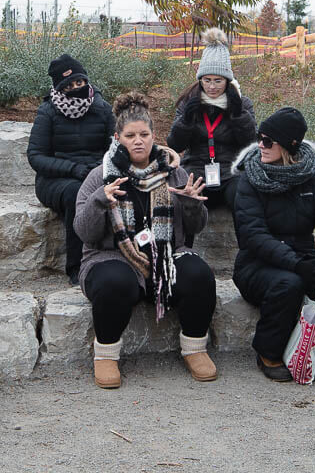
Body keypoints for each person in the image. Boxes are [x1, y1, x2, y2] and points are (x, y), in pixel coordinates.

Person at [73, 92, 217, 389]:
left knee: (199, 274)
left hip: (166, 255)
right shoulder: (101, 176)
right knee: (115, 281)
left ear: (154, 136)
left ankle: (194, 347)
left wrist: (192, 204)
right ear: (117, 138)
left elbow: (197, 227)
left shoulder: (174, 173)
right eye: (130, 136)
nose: (138, 141)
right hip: (111, 256)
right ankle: (106, 355)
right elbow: (85, 233)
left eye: (144, 134)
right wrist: (100, 200)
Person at [232, 107, 315, 382]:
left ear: (289, 146)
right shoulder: (250, 180)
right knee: (290, 284)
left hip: (302, 256)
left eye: (268, 141)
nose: (260, 145)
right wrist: (297, 265)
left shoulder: (314, 180)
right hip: (257, 264)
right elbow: (253, 236)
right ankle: (268, 352)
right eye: (259, 138)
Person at [26, 54, 115, 285]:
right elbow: (36, 156)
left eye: (79, 82)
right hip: (56, 179)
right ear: (59, 88)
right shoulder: (47, 111)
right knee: (77, 194)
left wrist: (98, 170)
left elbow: (115, 149)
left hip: (96, 173)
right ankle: (77, 267)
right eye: (68, 86)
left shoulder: (103, 109)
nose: (76, 88)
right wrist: (73, 168)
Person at [166, 27, 255, 231]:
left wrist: (238, 114)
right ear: (200, 80)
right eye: (207, 80)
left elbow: (250, 143)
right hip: (196, 170)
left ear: (227, 81)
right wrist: (186, 120)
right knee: (181, 199)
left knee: (244, 198)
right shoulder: (189, 102)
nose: (212, 87)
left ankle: (248, 247)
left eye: (218, 81)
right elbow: (175, 145)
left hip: (230, 172)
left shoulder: (242, 103)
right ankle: (182, 247)